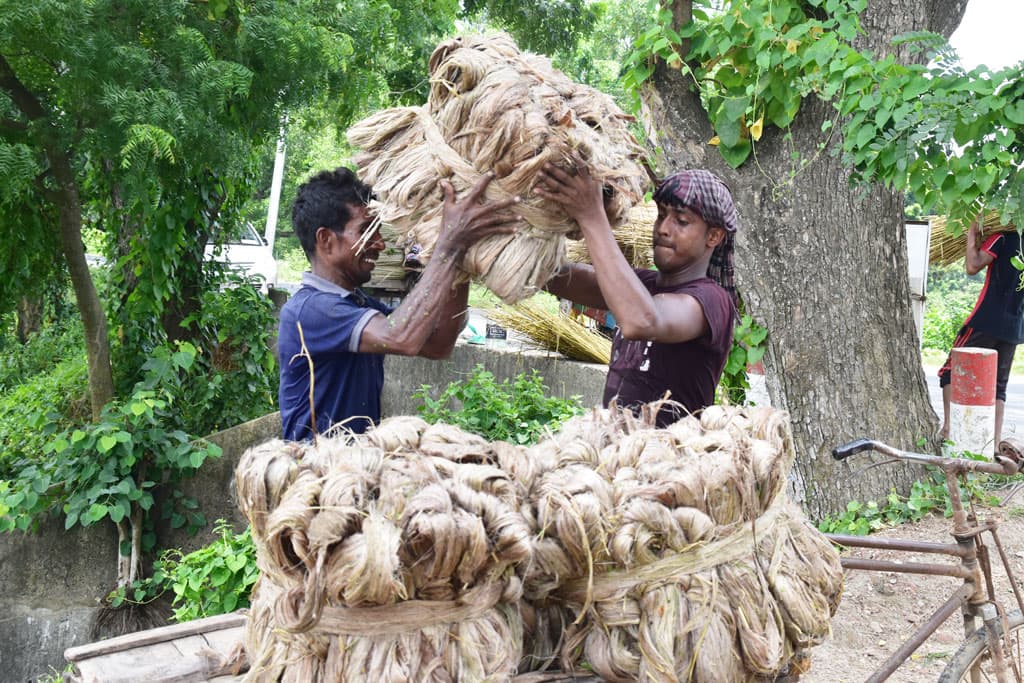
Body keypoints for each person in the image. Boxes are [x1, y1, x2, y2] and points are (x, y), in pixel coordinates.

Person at [278, 167, 520, 441]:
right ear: (326, 240)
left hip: (354, 470)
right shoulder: (310, 310)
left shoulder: (358, 305)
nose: (380, 244)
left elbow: (438, 343)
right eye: (367, 232)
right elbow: (402, 336)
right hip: (318, 476)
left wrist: (460, 260)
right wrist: (450, 244)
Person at [536, 164, 738, 427]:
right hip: (620, 459)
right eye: (661, 215)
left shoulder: (712, 300)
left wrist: (591, 214)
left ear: (713, 236)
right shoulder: (644, 285)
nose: (663, 229)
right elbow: (555, 275)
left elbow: (641, 321)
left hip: (668, 463)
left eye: (681, 221)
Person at [939, 216, 1024, 450]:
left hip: (985, 320)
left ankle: (949, 429)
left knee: (949, 371)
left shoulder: (1004, 238)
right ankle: (994, 446)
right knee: (999, 387)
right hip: (1014, 327)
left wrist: (972, 233)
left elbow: (972, 266)